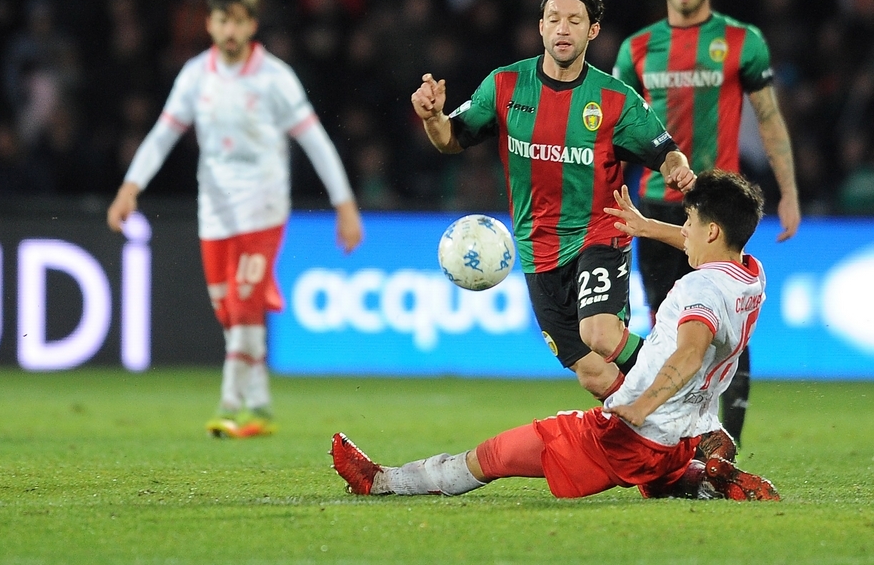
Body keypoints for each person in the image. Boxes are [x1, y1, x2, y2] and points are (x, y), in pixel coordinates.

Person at [332, 169, 779, 502]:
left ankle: (383, 481)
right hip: (680, 436)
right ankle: (706, 478)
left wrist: (638, 407)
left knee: (493, 457)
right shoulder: (749, 276)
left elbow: (688, 355)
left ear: (713, 231)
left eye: (689, 221)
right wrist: (646, 227)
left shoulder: (698, 288)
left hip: (635, 433)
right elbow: (702, 249)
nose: (683, 230)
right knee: (659, 476)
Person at [411, 0, 695, 402]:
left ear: (592, 31)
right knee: (594, 374)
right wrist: (433, 117)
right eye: (554, 20)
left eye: (575, 21)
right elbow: (452, 138)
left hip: (599, 233)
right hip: (535, 246)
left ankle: (691, 390)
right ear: (541, 27)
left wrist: (678, 169)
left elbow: (667, 151)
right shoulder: (505, 86)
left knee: (600, 333)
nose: (563, 29)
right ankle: (665, 431)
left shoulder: (616, 100)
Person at [107, 0, 363, 438]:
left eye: (239, 22)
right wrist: (130, 187)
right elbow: (164, 134)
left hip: (263, 206)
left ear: (251, 27)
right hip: (215, 210)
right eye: (222, 20)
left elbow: (316, 142)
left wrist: (344, 204)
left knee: (244, 306)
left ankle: (229, 406)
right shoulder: (195, 76)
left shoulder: (275, 78)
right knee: (228, 311)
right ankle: (261, 405)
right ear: (209, 24)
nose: (230, 30)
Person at [613, 0, 800, 446]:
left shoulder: (742, 41)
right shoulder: (637, 49)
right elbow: (613, 130)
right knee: (667, 326)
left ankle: (726, 447)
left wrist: (789, 192)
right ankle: (672, 438)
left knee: (730, 333)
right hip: (655, 201)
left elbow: (769, 119)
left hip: (718, 207)